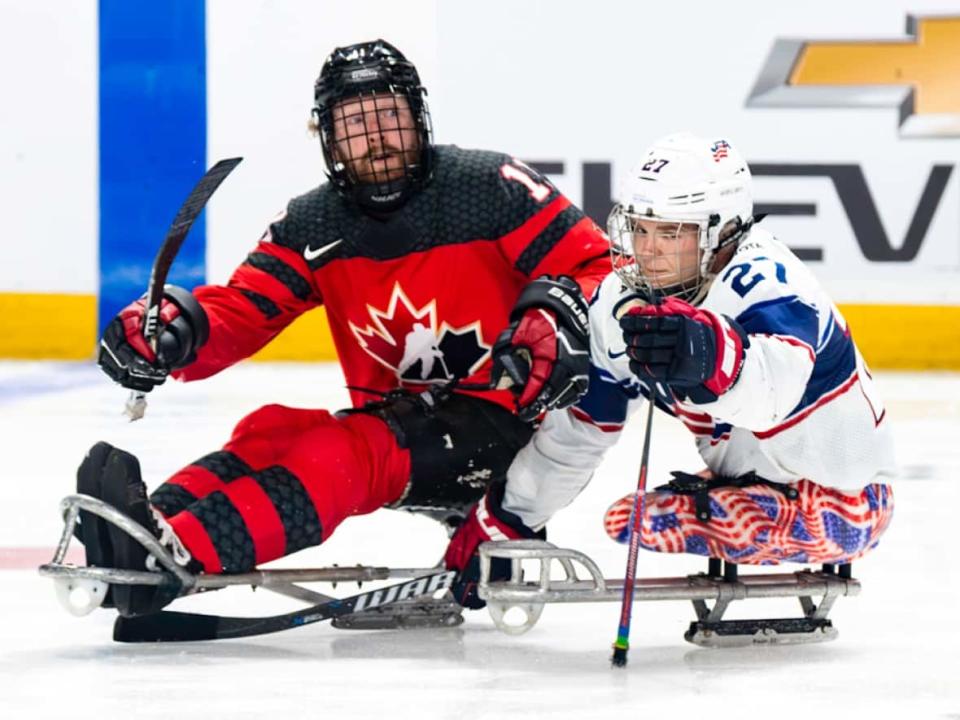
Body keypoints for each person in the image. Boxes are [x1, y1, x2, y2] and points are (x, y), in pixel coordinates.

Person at [86, 39, 611, 617]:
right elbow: (245, 307)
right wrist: (178, 330)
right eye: (354, 125)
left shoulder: (489, 188)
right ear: (328, 140)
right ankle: (149, 529)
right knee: (271, 432)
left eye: (390, 115)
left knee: (346, 454)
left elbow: (597, 267)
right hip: (403, 423)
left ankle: (181, 554)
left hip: (511, 425)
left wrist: (554, 315)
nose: (377, 138)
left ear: (418, 117)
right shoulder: (313, 222)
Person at [455, 132, 895, 578]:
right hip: (747, 479)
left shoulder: (769, 283)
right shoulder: (616, 302)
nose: (648, 251)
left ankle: (787, 509)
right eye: (640, 229)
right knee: (629, 518)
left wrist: (710, 354)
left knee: (650, 518)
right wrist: (507, 522)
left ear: (725, 233)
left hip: (847, 494)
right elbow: (579, 434)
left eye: (670, 232)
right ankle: (749, 496)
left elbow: (773, 393)